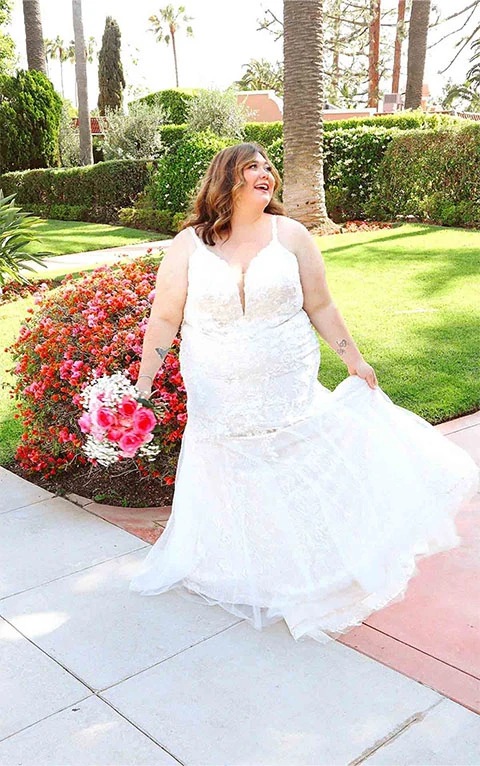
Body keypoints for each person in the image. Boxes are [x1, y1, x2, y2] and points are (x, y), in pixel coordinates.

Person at [129, 142, 479, 644]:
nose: (264, 174)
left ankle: (311, 566)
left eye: (268, 167)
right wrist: (144, 380)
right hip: (218, 388)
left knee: (293, 460)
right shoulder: (189, 244)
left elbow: (321, 305)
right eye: (252, 168)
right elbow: (165, 316)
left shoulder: (291, 235)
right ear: (226, 179)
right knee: (229, 470)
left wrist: (354, 360)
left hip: (285, 382)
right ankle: (236, 565)